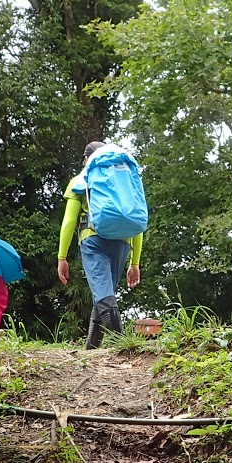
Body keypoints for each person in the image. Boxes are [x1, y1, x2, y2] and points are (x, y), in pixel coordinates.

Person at [57, 141, 144, 349]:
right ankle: (92, 347)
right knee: (104, 292)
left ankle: (122, 343)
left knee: (104, 293)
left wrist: (62, 257)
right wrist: (135, 263)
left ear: (87, 159)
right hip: (122, 242)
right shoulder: (125, 182)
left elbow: (69, 221)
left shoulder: (81, 180)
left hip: (93, 240)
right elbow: (136, 221)